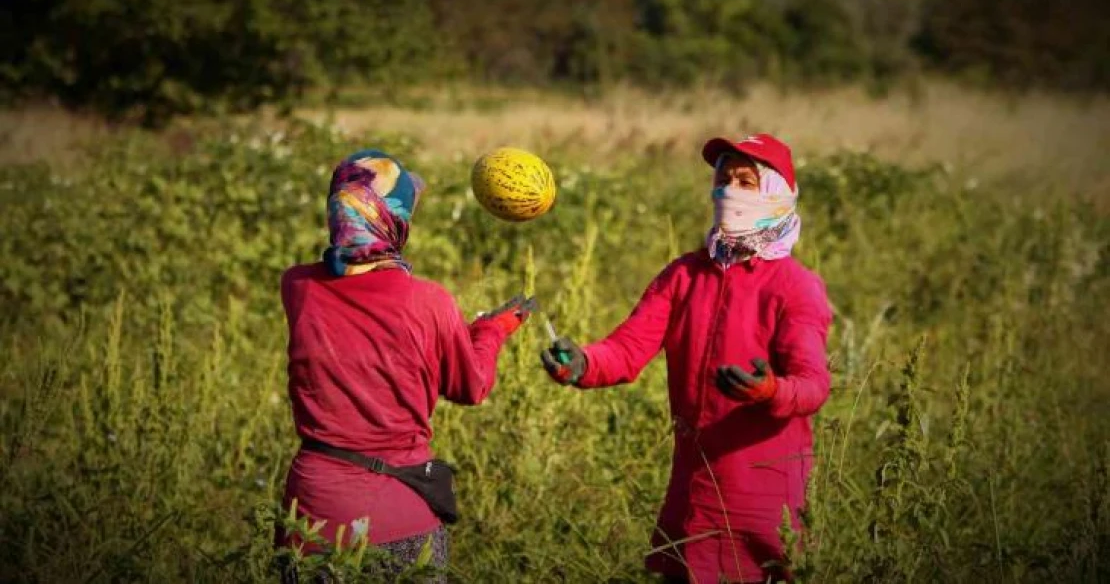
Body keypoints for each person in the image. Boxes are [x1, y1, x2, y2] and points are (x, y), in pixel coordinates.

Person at [540, 134, 833, 583]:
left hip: (763, 496)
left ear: (776, 194)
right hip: (693, 489)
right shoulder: (685, 274)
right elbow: (627, 349)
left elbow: (813, 385)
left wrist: (771, 390)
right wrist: (582, 364)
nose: (729, 191)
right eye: (724, 179)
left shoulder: (795, 286)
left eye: (746, 182)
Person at [276, 149, 535, 581]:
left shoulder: (298, 286)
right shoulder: (429, 300)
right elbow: (470, 386)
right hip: (401, 516)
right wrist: (492, 331)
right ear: (393, 219)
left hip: (311, 517)